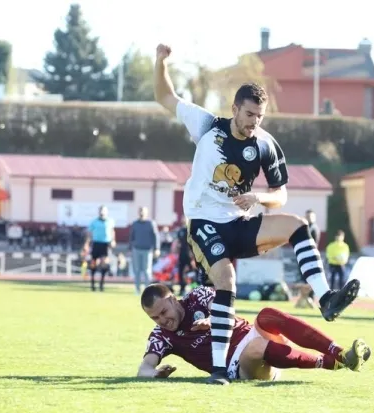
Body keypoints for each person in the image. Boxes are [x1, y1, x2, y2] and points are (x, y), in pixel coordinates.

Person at [153, 43, 360, 384]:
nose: (254, 122)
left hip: (238, 223)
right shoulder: (206, 125)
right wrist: (160, 62)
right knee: (227, 280)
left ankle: (325, 299)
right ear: (235, 108)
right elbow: (164, 96)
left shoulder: (265, 144)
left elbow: (281, 195)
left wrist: (258, 197)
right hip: (204, 223)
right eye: (249, 115)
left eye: (260, 116)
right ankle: (219, 370)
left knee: (297, 226)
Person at [137, 283, 371, 381]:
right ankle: (333, 363)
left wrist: (214, 320)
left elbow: (227, 315)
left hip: (252, 334)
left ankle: (340, 353)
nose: (162, 320)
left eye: (163, 312)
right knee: (256, 347)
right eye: (154, 317)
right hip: (239, 366)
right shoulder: (161, 336)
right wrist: (154, 373)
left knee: (267, 314)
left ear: (173, 299)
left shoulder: (198, 296)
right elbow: (143, 368)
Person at [128, 206, 160, 294]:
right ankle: (137, 290)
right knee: (137, 270)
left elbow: (156, 236)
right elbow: (131, 236)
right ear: (138, 212)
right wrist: (130, 248)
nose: (142, 213)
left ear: (147, 213)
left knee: (147, 271)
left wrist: (157, 248)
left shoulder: (151, 223)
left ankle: (147, 291)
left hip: (147, 250)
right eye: (140, 211)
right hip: (136, 249)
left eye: (143, 211)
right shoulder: (135, 223)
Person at [87, 206, 115, 292]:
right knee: (93, 264)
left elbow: (112, 231)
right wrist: (87, 243)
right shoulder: (94, 222)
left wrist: (113, 240)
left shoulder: (110, 221)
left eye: (104, 211)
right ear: (99, 212)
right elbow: (89, 232)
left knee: (104, 264)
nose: (102, 212)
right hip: (96, 243)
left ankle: (101, 284)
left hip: (105, 244)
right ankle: (92, 283)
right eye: (101, 210)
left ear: (107, 212)